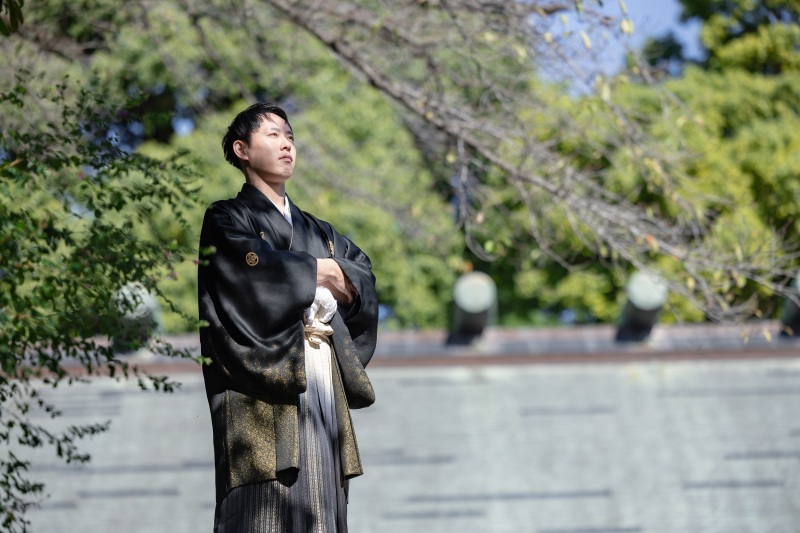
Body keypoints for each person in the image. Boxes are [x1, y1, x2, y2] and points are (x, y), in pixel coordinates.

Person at [198, 103, 378, 533]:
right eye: (274, 135)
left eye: (291, 137)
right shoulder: (226, 219)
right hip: (257, 391)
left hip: (319, 378)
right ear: (242, 149)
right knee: (260, 511)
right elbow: (249, 274)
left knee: (323, 506)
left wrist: (307, 273)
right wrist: (324, 271)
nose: (287, 145)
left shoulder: (322, 230)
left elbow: (362, 279)